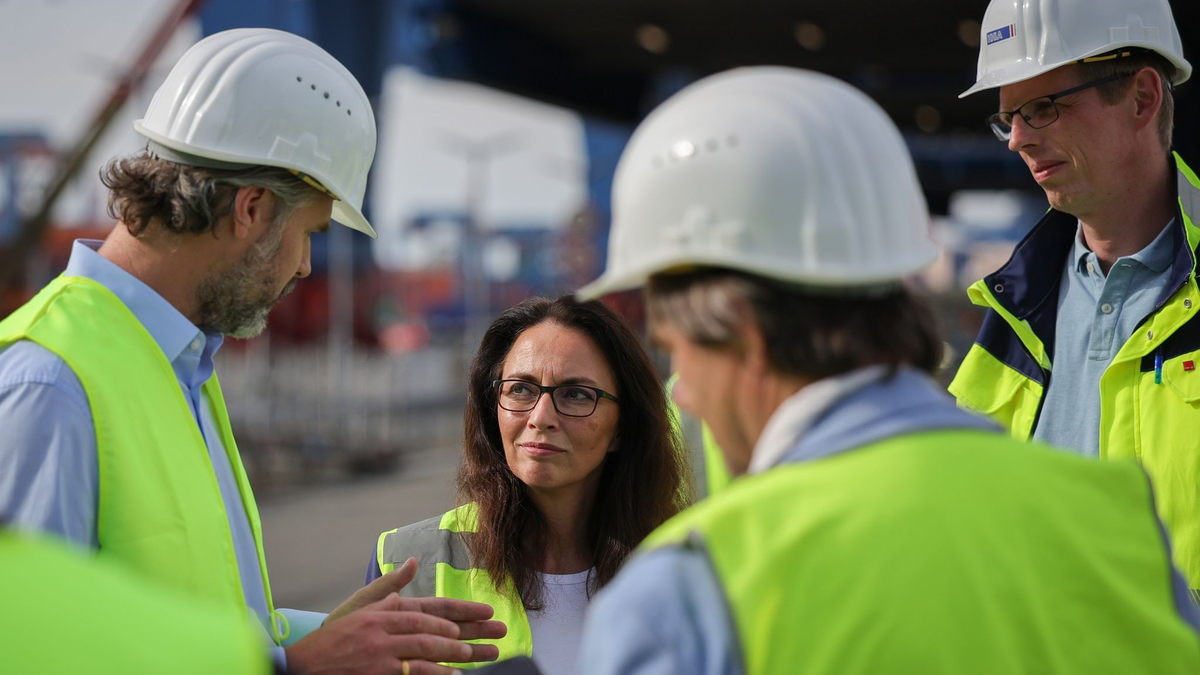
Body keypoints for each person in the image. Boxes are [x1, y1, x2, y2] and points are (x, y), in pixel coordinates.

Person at [573, 66, 1200, 674]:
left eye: (676, 351)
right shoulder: (1117, 523)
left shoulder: (689, 597)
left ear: (744, 334)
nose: (688, 398)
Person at [0, 28, 503, 675]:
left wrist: (334, 637)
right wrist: (295, 668)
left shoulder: (175, 365)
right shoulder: (49, 387)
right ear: (252, 209)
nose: (305, 267)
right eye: (309, 233)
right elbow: (31, 653)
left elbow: (186, 620)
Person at [947, 0, 1200, 593]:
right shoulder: (1010, 316)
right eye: (1007, 116)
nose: (1016, 140)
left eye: (1041, 109)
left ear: (1142, 98)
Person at [367, 296, 689, 673]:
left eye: (576, 394)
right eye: (520, 389)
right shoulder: (406, 560)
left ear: (621, 428)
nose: (541, 417)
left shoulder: (683, 568)